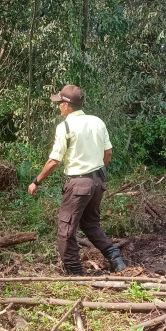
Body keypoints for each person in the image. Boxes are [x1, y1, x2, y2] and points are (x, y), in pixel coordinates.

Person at [28, 84, 127, 275]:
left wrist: (36, 181)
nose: (58, 106)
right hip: (98, 182)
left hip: (78, 184)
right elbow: (108, 152)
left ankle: (74, 272)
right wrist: (97, 170)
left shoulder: (64, 126)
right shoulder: (97, 122)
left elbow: (53, 161)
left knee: (66, 229)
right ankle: (115, 256)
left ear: (66, 105)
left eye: (60, 103)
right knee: (90, 224)